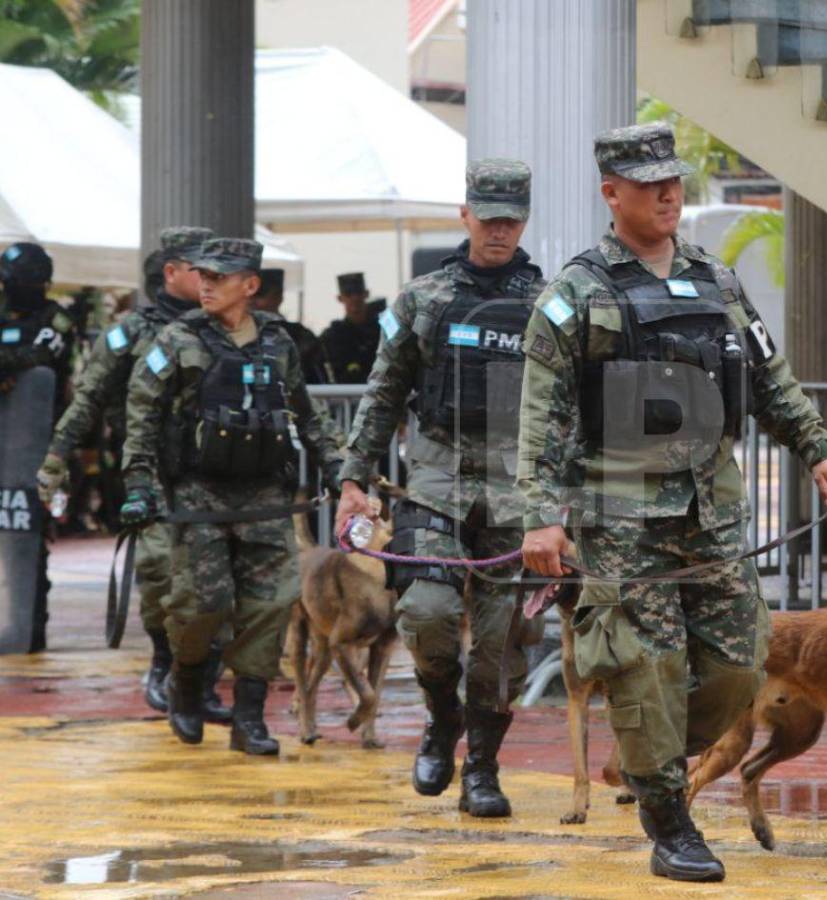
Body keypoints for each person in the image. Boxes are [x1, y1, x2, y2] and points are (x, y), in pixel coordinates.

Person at [517, 123, 827, 882]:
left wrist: (821, 449)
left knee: (740, 664)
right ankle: (669, 818)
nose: (669, 194)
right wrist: (539, 514)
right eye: (649, 185)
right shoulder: (577, 293)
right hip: (619, 519)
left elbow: (771, 380)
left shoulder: (717, 280)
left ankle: (649, 757)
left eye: (673, 181)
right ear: (612, 194)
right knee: (647, 666)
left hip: (714, 511)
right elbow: (539, 413)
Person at [335, 159, 545, 818]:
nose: (499, 231)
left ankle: (482, 765)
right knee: (425, 611)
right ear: (465, 216)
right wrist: (352, 477)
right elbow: (383, 390)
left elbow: (576, 405)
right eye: (488, 218)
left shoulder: (554, 303)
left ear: (524, 221)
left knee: (497, 644)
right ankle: (440, 717)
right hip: (435, 481)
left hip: (518, 492)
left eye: (511, 219)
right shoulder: (422, 298)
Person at [122, 238, 343, 755]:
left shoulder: (277, 343)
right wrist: (138, 485)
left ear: (250, 285)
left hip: (264, 495)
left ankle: (250, 720)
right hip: (199, 495)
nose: (206, 285)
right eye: (202, 276)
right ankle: (185, 681)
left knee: (270, 606)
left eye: (218, 278)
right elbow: (142, 416)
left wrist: (341, 470)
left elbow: (308, 415)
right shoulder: (177, 340)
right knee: (203, 603)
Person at [37, 228, 232, 720]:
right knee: (164, 580)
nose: (212, 279)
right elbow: (88, 401)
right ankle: (166, 664)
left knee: (221, 586)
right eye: (200, 269)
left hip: (218, 477)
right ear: (171, 272)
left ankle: (203, 684)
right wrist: (56, 461)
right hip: (154, 476)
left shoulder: (226, 326)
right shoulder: (129, 332)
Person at [0, 242, 76, 652]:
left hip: (34, 446)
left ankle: (29, 628)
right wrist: (21, 359)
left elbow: (49, 358)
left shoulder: (57, 320)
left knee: (25, 533)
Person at [253, 268, 334, 385]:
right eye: (250, 296)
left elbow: (321, 380)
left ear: (278, 297)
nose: (252, 302)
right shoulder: (241, 336)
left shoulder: (299, 336)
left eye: (260, 296)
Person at [321, 272, 381, 383]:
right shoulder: (333, 335)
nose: (355, 298)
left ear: (366, 294)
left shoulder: (382, 330)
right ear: (340, 298)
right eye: (348, 294)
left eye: (358, 293)